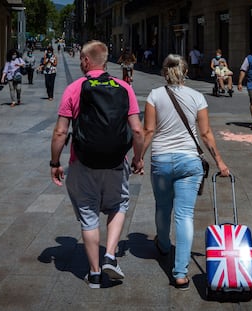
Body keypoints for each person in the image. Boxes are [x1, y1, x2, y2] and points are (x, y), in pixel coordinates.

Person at [50, 40, 144, 289]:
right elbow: (136, 129)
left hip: (82, 162)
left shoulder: (74, 88)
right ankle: (111, 255)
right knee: (119, 204)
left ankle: (93, 273)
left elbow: (61, 132)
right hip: (116, 161)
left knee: (88, 214)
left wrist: (55, 162)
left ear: (85, 61)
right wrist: (138, 157)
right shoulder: (124, 87)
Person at [141, 54, 230, 290]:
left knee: (163, 207)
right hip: (190, 162)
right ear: (186, 72)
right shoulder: (197, 97)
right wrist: (219, 162)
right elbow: (206, 133)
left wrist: (138, 157)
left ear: (164, 72)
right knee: (185, 215)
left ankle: (162, 244)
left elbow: (148, 130)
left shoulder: (154, 95)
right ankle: (180, 273)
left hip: (161, 160)